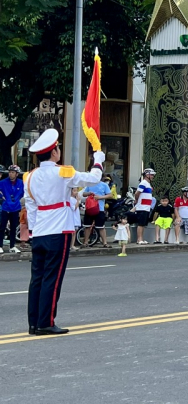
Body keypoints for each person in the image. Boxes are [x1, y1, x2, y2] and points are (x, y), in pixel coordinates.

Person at [24, 128, 105, 335]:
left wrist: (33, 231)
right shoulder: (63, 171)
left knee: (37, 279)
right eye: (58, 147)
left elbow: (31, 208)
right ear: (54, 152)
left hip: (39, 232)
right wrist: (98, 159)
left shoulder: (29, 176)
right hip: (58, 231)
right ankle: (46, 322)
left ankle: (34, 323)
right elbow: (94, 178)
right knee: (52, 278)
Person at [81, 176, 112, 248]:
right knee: (87, 226)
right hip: (89, 208)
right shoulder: (90, 184)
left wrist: (100, 197)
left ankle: (105, 243)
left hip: (100, 208)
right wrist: (89, 193)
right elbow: (84, 194)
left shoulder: (104, 185)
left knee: (101, 226)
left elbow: (110, 195)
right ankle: (85, 242)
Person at [0, 164, 25, 253]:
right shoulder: (3, 182)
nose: (11, 174)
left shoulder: (21, 183)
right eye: (10, 172)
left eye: (13, 172)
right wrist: (3, 199)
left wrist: (18, 201)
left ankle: (12, 246)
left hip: (15, 208)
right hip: (6, 207)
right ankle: (0, 245)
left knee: (13, 227)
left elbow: (23, 193)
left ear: (17, 174)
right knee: (2, 227)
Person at [133, 169, 156, 245]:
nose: (153, 176)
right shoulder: (143, 183)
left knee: (143, 224)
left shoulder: (147, 184)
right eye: (151, 175)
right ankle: (139, 239)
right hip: (142, 207)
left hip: (146, 207)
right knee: (141, 224)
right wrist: (136, 200)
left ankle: (141, 239)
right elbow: (137, 193)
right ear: (147, 175)